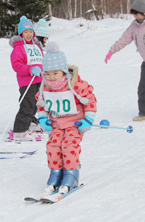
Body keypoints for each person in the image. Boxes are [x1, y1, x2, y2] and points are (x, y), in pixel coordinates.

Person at [35, 42, 97, 195]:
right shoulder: (45, 87)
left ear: (63, 72)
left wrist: (88, 119)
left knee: (69, 146)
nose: (51, 77)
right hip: (56, 124)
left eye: (55, 73)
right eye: (47, 73)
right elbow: (41, 105)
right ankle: (56, 173)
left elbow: (90, 99)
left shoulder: (75, 84)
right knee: (53, 146)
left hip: (75, 124)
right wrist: (43, 119)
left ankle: (71, 174)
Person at [10, 16, 44, 141]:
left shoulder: (37, 46)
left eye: (31, 31)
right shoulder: (18, 48)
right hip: (26, 81)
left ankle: (31, 121)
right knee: (27, 104)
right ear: (21, 33)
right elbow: (17, 65)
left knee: (36, 104)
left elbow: (42, 60)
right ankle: (19, 130)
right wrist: (30, 69)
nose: (29, 34)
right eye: (26, 32)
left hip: (39, 79)